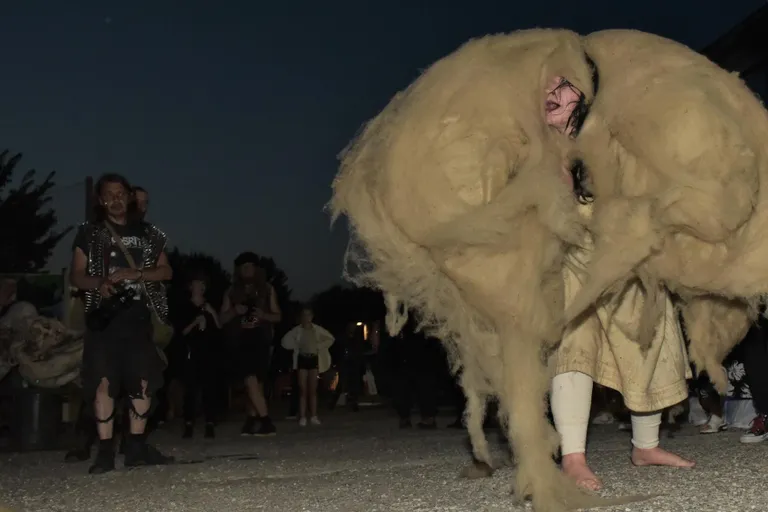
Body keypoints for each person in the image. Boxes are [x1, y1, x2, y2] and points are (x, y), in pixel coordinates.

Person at [69, 173, 173, 474]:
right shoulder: (88, 233)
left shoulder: (149, 233)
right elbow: (75, 275)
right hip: (103, 319)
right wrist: (98, 282)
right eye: (108, 194)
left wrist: (136, 274)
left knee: (142, 382)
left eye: (120, 193)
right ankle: (104, 451)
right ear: (100, 200)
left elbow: (166, 272)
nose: (115, 199)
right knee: (103, 382)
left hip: (139, 318)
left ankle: (137, 447)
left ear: (129, 196)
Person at [220, 252, 281, 436]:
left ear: (256, 268)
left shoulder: (267, 289)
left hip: (261, 339)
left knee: (257, 382)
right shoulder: (231, 291)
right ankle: (265, 421)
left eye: (250, 265)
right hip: (240, 340)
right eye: (243, 266)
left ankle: (252, 420)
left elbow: (278, 316)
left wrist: (263, 316)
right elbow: (221, 319)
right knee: (249, 379)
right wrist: (234, 311)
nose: (246, 269)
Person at [174, 274, 220, 439]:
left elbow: (219, 327)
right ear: (190, 287)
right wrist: (195, 322)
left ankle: (210, 423)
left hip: (208, 352)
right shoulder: (185, 307)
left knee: (209, 388)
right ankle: (188, 424)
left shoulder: (209, 305)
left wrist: (212, 313)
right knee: (191, 390)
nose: (199, 286)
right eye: (196, 283)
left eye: (202, 283)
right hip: (191, 352)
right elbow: (182, 332)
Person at [281, 306, 335, 425]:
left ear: (312, 316)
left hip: (313, 359)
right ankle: (303, 416)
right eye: (304, 315)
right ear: (301, 317)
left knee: (313, 389)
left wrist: (318, 347)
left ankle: (314, 415)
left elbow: (330, 338)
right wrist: (296, 345)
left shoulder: (317, 330)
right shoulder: (297, 330)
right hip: (302, 359)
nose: (306, 318)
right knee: (302, 389)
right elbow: (285, 341)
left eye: (308, 315)